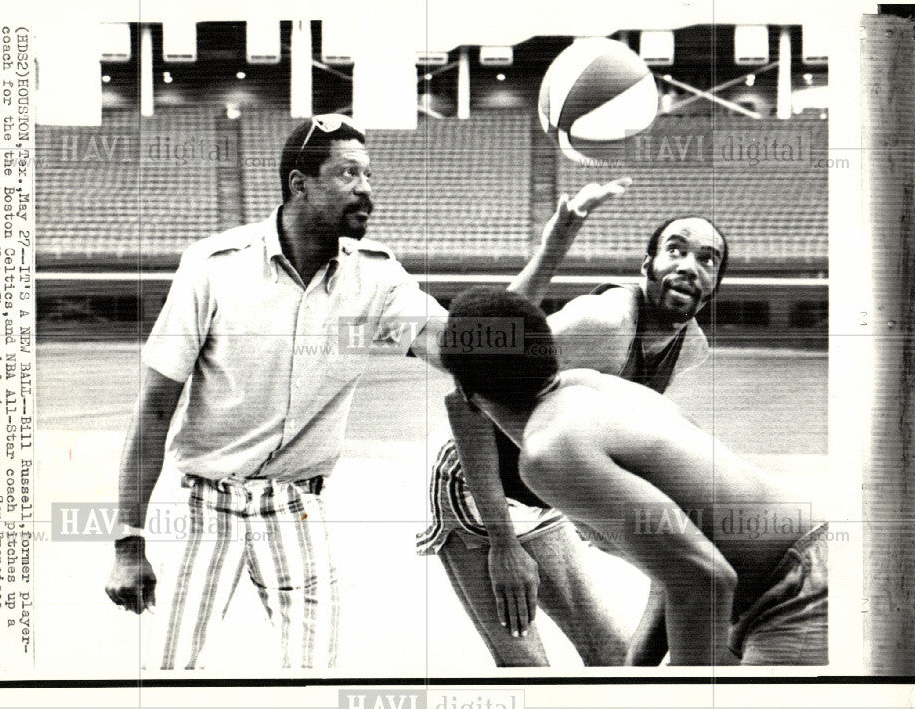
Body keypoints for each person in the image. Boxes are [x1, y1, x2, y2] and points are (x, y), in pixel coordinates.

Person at [103, 113, 626, 669]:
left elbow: (476, 343)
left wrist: (554, 246)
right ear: (299, 185)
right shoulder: (213, 268)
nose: (366, 189)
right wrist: (128, 542)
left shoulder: (375, 276)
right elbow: (156, 408)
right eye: (349, 174)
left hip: (297, 505)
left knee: (316, 684)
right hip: (211, 502)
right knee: (170, 679)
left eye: (369, 175)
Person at [439, 288, 828, 666]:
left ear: (468, 392)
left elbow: (703, 578)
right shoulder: (593, 386)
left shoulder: (549, 452)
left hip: (795, 591)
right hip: (801, 568)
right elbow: (678, 560)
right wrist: (636, 670)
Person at [417, 213, 728, 666]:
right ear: (647, 265)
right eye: (675, 250)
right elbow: (465, 396)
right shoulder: (603, 322)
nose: (689, 265)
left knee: (612, 653)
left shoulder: (691, 348)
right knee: (528, 671)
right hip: (476, 486)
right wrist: (504, 545)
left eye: (707, 259)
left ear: (715, 284)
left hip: (543, 489)